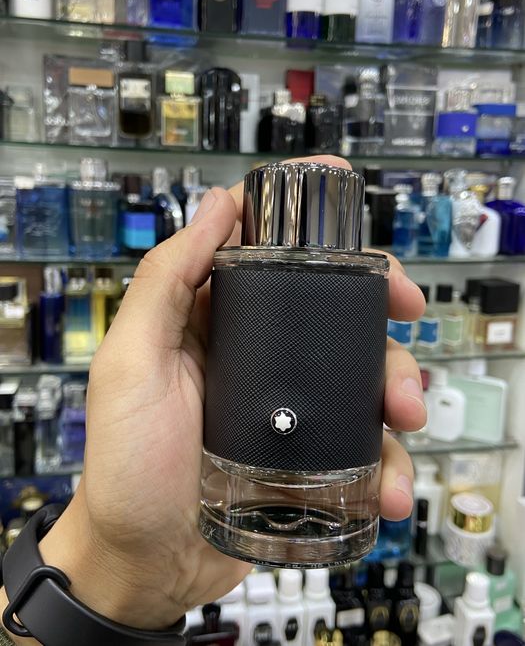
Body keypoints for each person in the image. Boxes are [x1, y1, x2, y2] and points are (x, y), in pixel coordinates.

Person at [0, 156, 426, 645]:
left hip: (315, 504)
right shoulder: (236, 266)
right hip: (225, 506)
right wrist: (117, 563)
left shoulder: (359, 273)